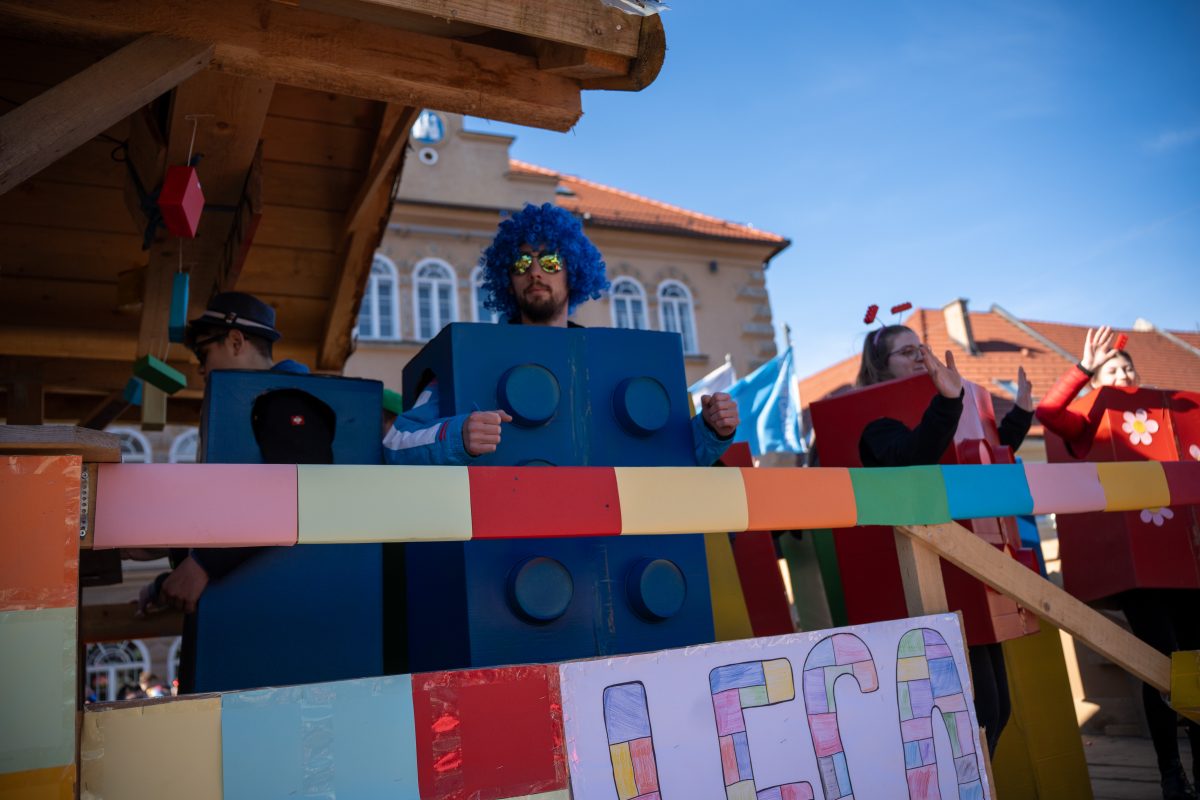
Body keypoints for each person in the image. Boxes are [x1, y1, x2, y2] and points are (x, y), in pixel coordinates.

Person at [383, 203, 739, 466]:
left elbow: (668, 454)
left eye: (550, 261)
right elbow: (396, 443)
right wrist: (458, 436)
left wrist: (713, 430)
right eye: (522, 262)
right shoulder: (470, 361)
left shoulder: (609, 361)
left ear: (573, 272)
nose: (535, 272)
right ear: (508, 278)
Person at [1037, 326, 1200, 800]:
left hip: (1185, 563)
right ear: (1096, 382)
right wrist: (1084, 368)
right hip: (1138, 573)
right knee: (1160, 660)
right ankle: (1171, 772)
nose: (1123, 374)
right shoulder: (1089, 419)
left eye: (1127, 367)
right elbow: (1049, 413)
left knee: (1195, 660)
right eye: (1112, 370)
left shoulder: (1164, 415)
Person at [855, 324, 1033, 757]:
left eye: (922, 348)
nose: (920, 357)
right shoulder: (875, 422)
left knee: (998, 709)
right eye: (906, 352)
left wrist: (1021, 414)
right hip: (928, 586)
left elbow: (982, 451)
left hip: (971, 573)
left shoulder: (941, 404)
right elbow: (914, 455)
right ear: (880, 366)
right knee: (974, 714)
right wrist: (949, 402)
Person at [139, 292, 311, 617]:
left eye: (203, 353)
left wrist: (202, 565)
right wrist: (168, 556)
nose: (201, 369)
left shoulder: (289, 399)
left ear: (235, 341)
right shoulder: (256, 407)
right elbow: (231, 512)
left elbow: (294, 498)